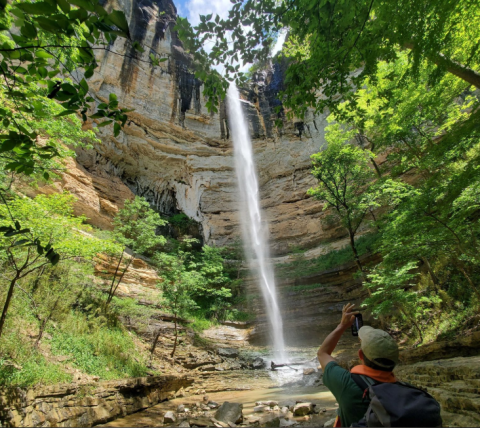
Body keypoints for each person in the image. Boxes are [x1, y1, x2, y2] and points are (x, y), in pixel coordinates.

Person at [317, 303, 399, 427]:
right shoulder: (404, 392)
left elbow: (323, 353)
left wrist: (342, 325)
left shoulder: (346, 384)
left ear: (360, 355)